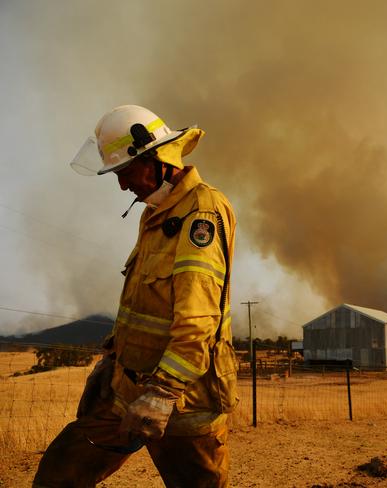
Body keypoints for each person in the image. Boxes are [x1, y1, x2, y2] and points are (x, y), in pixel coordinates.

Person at [34, 105, 238, 487]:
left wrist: (162, 392)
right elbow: (144, 305)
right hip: (126, 392)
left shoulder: (202, 213)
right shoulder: (155, 214)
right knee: (61, 472)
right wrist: (113, 358)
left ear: (157, 158)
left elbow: (199, 320)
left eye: (125, 172)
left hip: (182, 403)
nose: (123, 186)